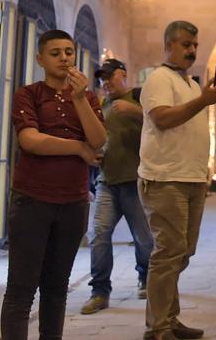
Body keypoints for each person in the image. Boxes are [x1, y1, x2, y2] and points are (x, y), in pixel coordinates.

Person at [0, 30, 106, 340]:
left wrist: (78, 100)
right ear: (40, 59)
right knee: (21, 288)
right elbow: (30, 140)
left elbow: (98, 140)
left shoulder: (86, 97)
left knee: (57, 287)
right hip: (32, 199)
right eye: (56, 53)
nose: (64, 58)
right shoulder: (28, 94)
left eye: (69, 52)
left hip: (73, 202)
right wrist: (76, 148)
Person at [139, 21, 216, 340]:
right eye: (185, 44)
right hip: (165, 178)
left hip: (190, 178)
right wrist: (204, 101)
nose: (192, 50)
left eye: (194, 45)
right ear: (168, 45)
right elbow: (162, 119)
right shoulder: (158, 79)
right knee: (168, 251)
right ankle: (158, 327)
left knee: (182, 252)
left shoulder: (190, 84)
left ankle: (169, 318)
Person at [81, 58, 155, 315]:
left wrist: (136, 112)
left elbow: (161, 127)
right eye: (101, 79)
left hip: (135, 181)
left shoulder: (140, 98)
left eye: (109, 77)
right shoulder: (101, 105)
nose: (105, 83)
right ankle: (99, 291)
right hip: (106, 182)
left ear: (123, 74)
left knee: (144, 238)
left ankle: (145, 277)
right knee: (98, 235)